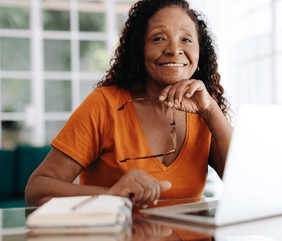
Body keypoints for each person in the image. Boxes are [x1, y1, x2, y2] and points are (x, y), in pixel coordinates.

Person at [25, 0, 232, 207]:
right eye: (158, 38)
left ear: (200, 52)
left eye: (186, 39)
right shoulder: (104, 104)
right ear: (139, 49)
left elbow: (247, 182)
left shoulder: (206, 111)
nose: (174, 49)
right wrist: (111, 196)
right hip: (117, 238)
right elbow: (38, 190)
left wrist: (211, 110)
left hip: (191, 240)